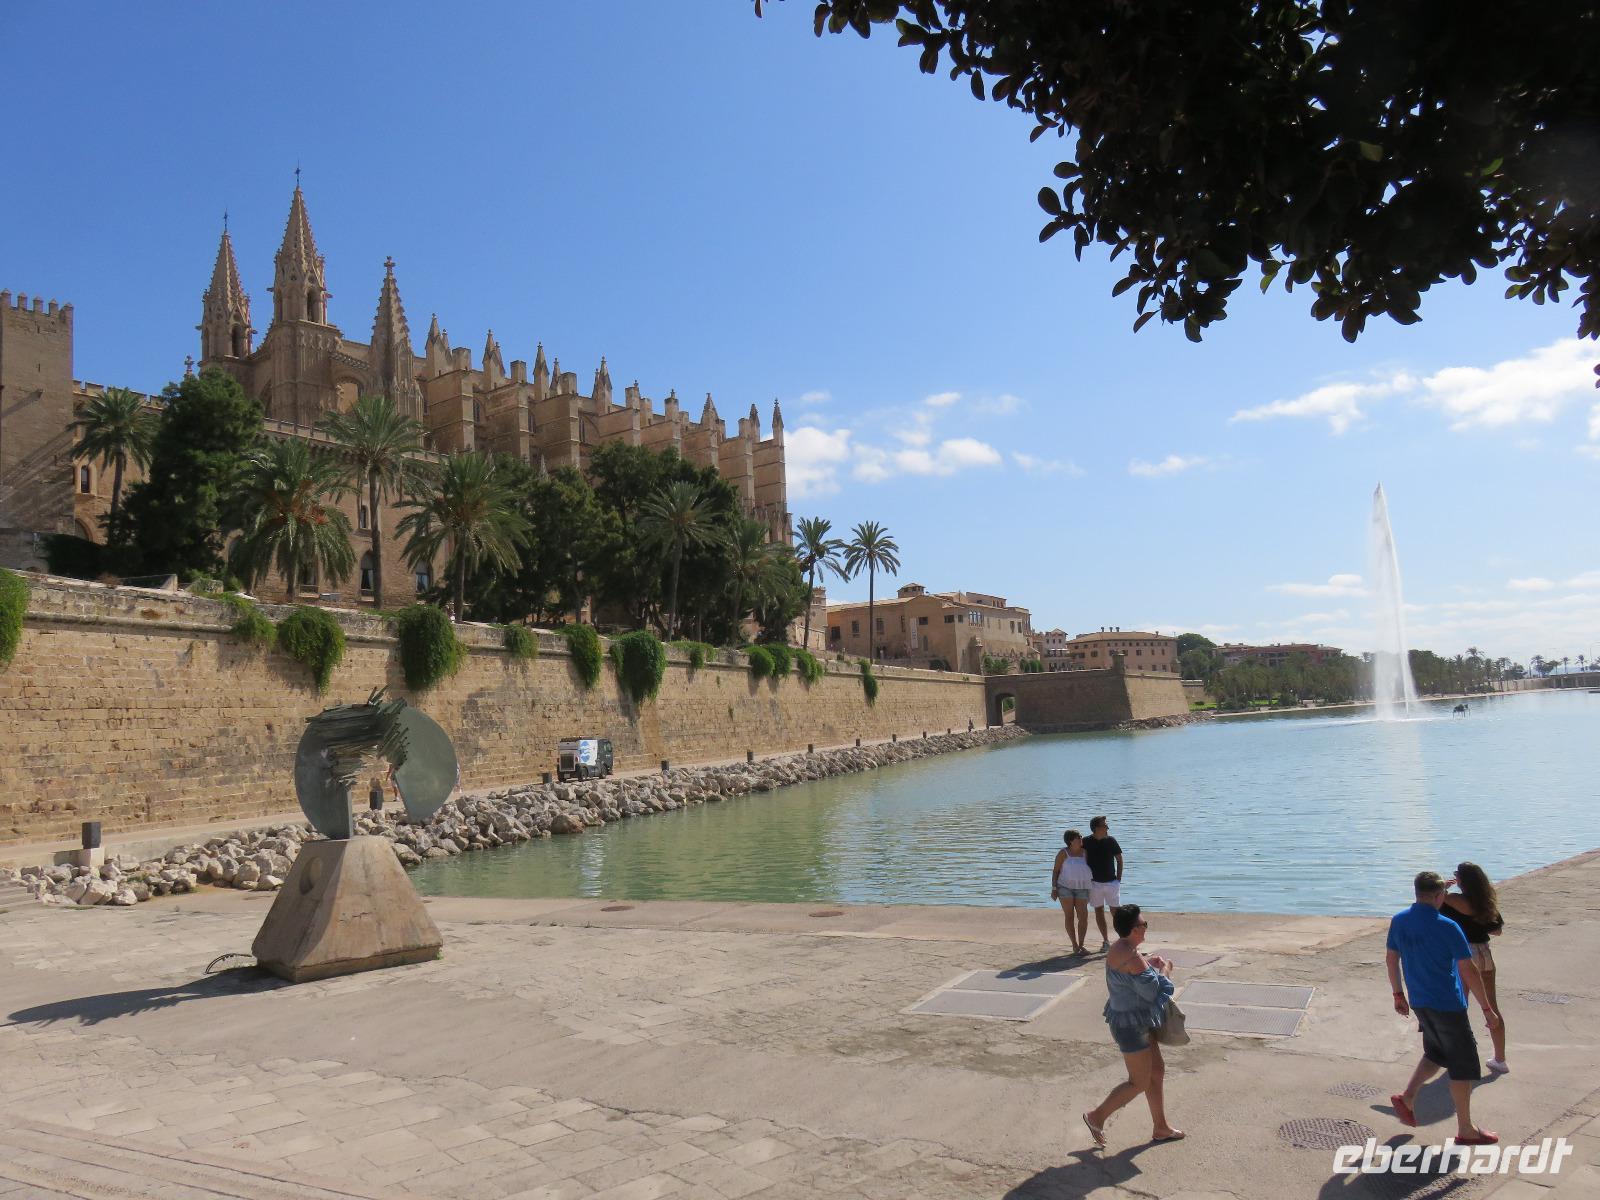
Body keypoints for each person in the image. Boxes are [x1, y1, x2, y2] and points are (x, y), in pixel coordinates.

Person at [1387, 871, 1503, 1145]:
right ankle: (1466, 1129)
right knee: (1462, 1067)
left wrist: (1397, 994)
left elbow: (1391, 959)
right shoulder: (1448, 926)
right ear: (1440, 897)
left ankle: (1407, 1097)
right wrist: (1487, 1009)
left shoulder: (1399, 920)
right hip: (1447, 1004)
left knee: (1436, 1053)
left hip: (1419, 1002)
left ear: (1416, 893)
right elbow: (1469, 970)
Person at [1082, 904, 1184, 1148]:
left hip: (1136, 1020)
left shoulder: (1121, 947)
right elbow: (1155, 992)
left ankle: (1160, 1127)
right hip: (1131, 1027)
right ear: (1134, 930)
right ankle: (1096, 1116)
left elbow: (1129, 968)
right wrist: (1165, 969)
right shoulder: (1132, 956)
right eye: (1143, 924)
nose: (1146, 927)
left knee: (1156, 1071)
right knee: (1138, 1081)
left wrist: (1148, 961)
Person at [1442, 862, 1508, 1073]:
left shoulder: (1453, 900)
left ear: (1461, 880)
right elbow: (1497, 931)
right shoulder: (1485, 901)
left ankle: (1459, 1054)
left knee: (1459, 1006)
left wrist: (1443, 887)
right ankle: (1500, 1058)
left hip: (1464, 954)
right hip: (1484, 953)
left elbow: (1433, 906)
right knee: (1491, 1007)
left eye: (1456, 875)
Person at [1084, 816, 1124, 952]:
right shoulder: (1086, 841)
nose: (1107, 827)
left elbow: (1119, 859)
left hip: (1112, 882)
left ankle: (1123, 940)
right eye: (1105, 825)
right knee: (1098, 911)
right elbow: (1081, 858)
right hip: (1095, 883)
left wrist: (1118, 879)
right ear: (1096, 828)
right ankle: (1106, 941)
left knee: (1116, 912)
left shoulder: (1111, 840)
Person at [1051, 829, 1093, 955]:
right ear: (1070, 841)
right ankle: (1074, 945)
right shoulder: (1063, 853)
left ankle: (1081, 944)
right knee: (1069, 916)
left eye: (1081, 836)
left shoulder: (1085, 852)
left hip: (1083, 887)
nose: (1081, 839)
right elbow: (1055, 871)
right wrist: (1054, 888)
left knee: (1083, 916)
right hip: (1065, 887)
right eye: (1078, 837)